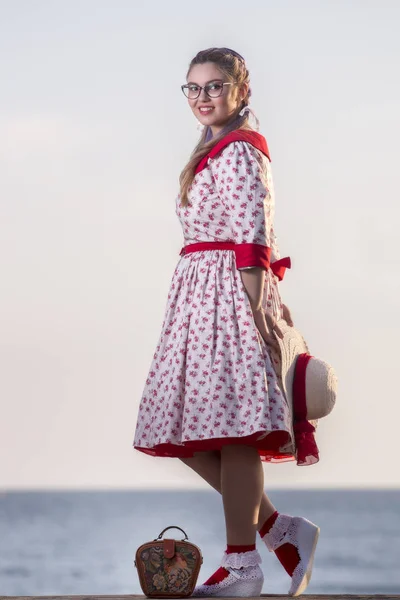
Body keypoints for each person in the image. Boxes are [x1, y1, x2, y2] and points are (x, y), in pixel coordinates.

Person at [133, 47, 320, 597]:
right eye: (193, 88)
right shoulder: (213, 148)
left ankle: (244, 566)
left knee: (233, 432)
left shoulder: (241, 150)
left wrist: (262, 305)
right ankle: (281, 531)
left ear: (242, 91)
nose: (203, 98)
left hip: (230, 298)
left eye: (214, 86)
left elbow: (254, 232)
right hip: (197, 298)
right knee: (180, 427)